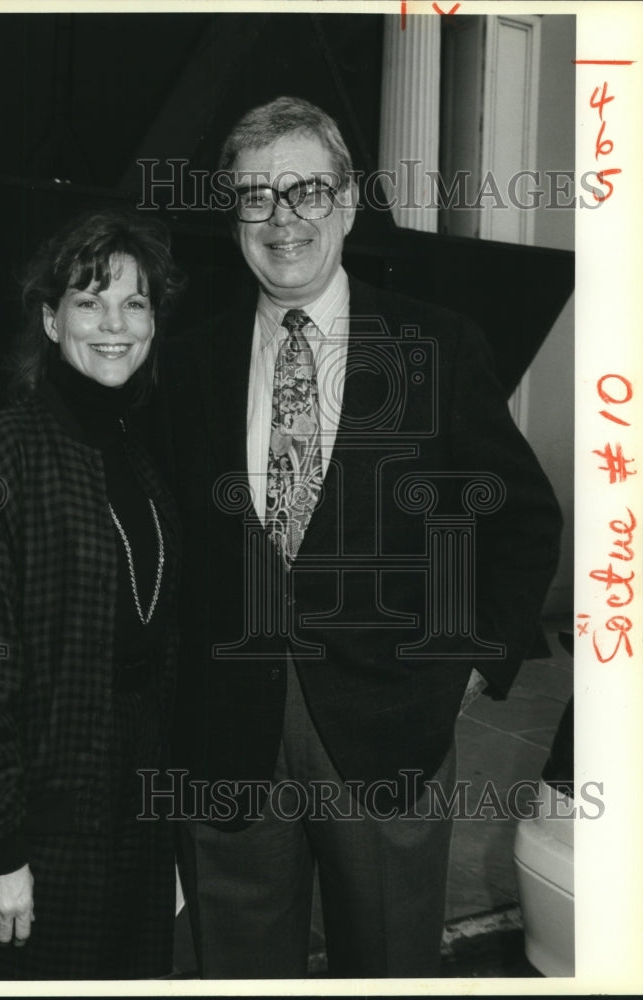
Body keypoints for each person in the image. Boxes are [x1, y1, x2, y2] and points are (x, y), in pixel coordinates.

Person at [160, 96, 563, 978]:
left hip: (390, 727)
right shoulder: (190, 363)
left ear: (346, 202)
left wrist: (464, 659)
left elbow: (523, 520)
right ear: (234, 218)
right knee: (239, 964)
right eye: (257, 197)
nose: (283, 219)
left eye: (306, 190)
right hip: (229, 731)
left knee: (387, 961)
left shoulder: (437, 344)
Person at [0, 208, 182, 980]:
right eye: (88, 299)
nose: (114, 323)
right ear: (48, 317)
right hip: (42, 827)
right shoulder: (5, 451)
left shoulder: (142, 452)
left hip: (138, 812)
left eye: (134, 303)